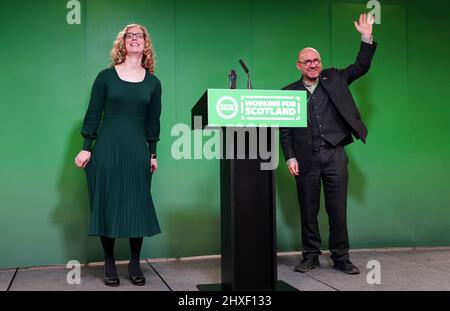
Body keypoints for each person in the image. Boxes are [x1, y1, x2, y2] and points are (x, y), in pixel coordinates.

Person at [280, 13, 376, 275]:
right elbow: (285, 131)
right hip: (305, 158)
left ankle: (341, 257)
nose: (312, 64)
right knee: (308, 211)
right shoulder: (288, 93)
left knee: (337, 209)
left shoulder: (334, 77)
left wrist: (366, 37)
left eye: (316, 60)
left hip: (335, 155)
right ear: (298, 66)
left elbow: (361, 66)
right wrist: (290, 158)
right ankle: (310, 256)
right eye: (307, 61)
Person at [74, 24, 162, 286]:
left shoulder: (154, 83)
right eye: (129, 36)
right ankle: (109, 262)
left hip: (137, 151)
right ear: (122, 43)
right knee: (107, 202)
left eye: (140, 36)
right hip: (107, 149)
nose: (134, 39)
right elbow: (93, 113)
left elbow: (153, 121)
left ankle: (135, 263)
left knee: (137, 205)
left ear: (146, 43)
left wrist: (153, 153)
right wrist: (86, 147)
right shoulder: (105, 77)